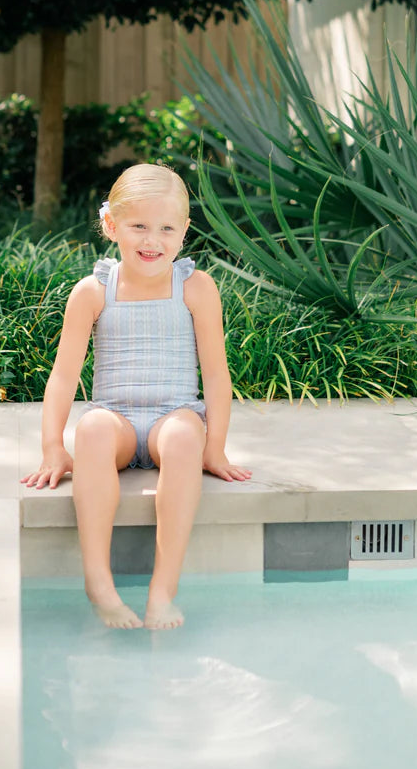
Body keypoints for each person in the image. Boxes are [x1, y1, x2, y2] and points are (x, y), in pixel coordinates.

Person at [21, 162, 251, 630]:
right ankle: (98, 583)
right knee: (92, 429)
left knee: (185, 436)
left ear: (184, 231)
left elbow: (216, 374)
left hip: (174, 415)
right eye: (139, 226)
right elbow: (64, 376)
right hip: (118, 419)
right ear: (111, 225)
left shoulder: (196, 288)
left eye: (166, 228)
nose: (153, 241)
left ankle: (162, 590)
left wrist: (215, 446)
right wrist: (52, 447)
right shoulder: (93, 291)